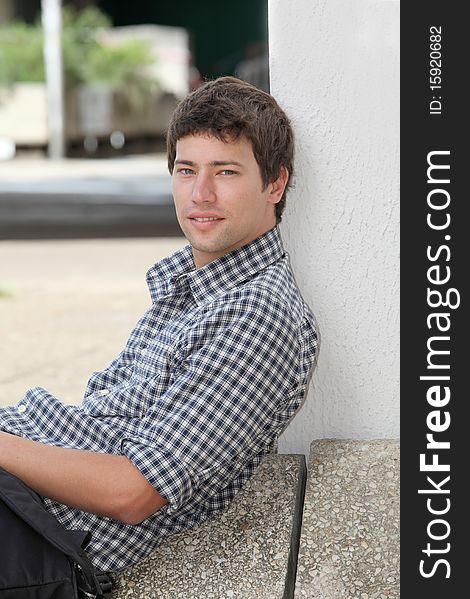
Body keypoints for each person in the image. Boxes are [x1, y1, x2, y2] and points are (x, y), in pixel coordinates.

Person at [0, 77, 319, 572]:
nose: (201, 193)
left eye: (226, 171)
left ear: (274, 183)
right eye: (186, 169)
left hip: (37, 533)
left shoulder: (259, 314)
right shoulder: (189, 289)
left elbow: (133, 491)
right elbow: (99, 420)